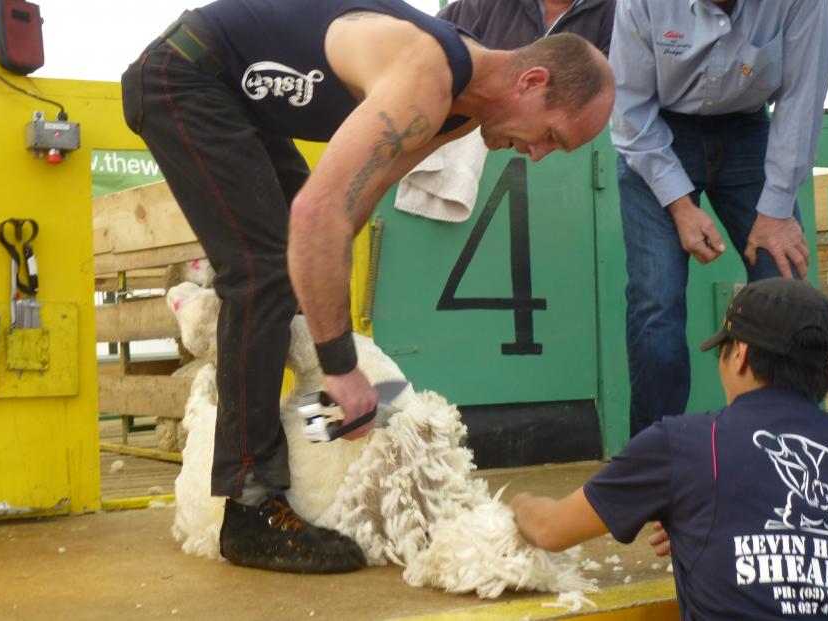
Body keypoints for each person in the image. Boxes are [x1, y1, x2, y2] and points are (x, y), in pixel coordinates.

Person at [121, 0, 614, 574]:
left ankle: (269, 430)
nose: (537, 154)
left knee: (278, 265)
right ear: (533, 81)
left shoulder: (453, 114)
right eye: (550, 135)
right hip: (184, 72)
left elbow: (352, 209)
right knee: (260, 270)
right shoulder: (427, 78)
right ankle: (250, 506)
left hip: (235, 97)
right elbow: (316, 216)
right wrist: (338, 363)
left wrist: (322, 321)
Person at [511, 278, 828, 619]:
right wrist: (707, 522)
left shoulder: (684, 442)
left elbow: (549, 530)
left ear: (740, 355)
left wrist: (516, 504)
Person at [610, 0, 828, 436]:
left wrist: (777, 209)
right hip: (656, 134)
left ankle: (799, 445)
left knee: (785, 290)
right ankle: (654, 461)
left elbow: (801, 100)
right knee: (657, 300)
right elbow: (630, 111)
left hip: (749, 130)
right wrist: (678, 204)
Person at [438, 0, 615, 54]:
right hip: (482, 135)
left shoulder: (617, 12)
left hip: (579, 138)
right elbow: (428, 39)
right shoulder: (484, 5)